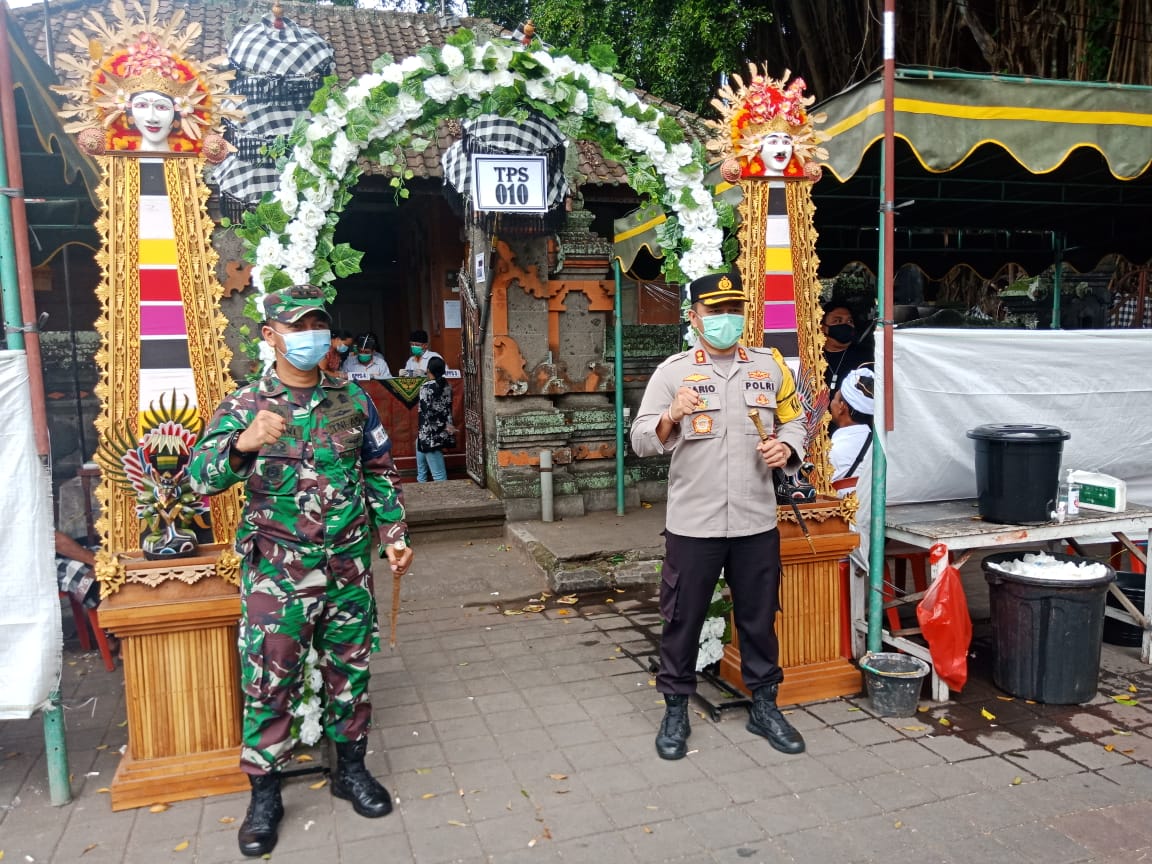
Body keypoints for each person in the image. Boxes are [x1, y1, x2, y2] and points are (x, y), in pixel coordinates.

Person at [188, 285, 413, 858]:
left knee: (351, 671)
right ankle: (265, 795)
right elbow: (200, 479)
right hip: (278, 576)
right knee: (270, 681)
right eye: (297, 327)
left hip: (347, 569)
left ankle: (351, 771)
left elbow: (379, 471)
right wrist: (243, 443)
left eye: (318, 326)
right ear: (271, 336)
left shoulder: (351, 401)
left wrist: (393, 534)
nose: (310, 338)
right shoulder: (245, 405)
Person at [630, 270, 808, 761]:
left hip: (756, 521)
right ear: (694, 317)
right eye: (715, 312)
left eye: (735, 311)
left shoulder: (769, 367)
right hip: (695, 526)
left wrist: (787, 447)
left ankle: (764, 706)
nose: (727, 321)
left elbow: (796, 418)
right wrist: (671, 415)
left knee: (758, 618)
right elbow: (641, 441)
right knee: (682, 619)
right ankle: (675, 709)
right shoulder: (673, 373)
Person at [828, 366, 874, 498]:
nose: (832, 403)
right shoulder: (879, 444)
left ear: (842, 407)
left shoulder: (832, 450)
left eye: (835, 398)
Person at [415, 356, 455, 482]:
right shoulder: (447, 386)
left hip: (429, 434)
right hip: (441, 430)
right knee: (424, 469)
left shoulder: (426, 387)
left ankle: (443, 498)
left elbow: (424, 411)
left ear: (428, 370)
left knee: (438, 476)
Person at [821, 303, 870, 394]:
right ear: (823, 327)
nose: (845, 325)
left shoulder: (867, 356)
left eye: (849, 321)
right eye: (837, 321)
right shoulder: (814, 356)